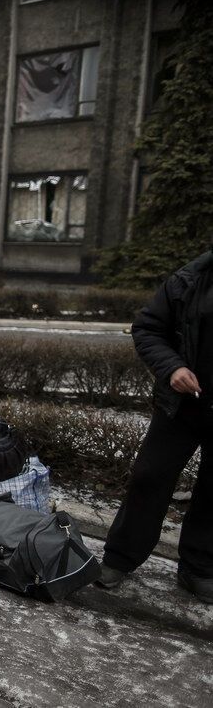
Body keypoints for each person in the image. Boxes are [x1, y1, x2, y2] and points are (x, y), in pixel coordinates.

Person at [97, 247, 213, 603]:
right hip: (182, 405)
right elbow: (147, 328)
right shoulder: (189, 280)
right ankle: (120, 557)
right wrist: (173, 368)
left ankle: (198, 568)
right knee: (150, 477)